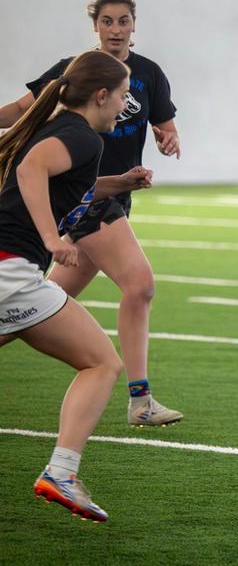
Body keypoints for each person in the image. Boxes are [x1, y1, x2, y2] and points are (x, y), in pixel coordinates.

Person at [0, 0, 182, 427]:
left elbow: (165, 122)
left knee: (29, 305)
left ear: (133, 25)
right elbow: (24, 113)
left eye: (123, 21)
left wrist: (167, 137)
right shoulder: (77, 73)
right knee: (140, 285)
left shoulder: (149, 74)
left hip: (109, 193)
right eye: (107, 22)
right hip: (87, 202)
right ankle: (140, 400)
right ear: (96, 26)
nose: (116, 29)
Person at [0, 50, 149, 521]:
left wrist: (117, 183)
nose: (125, 107)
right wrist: (51, 239)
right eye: (122, 97)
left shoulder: (64, 131)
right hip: (13, 271)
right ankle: (61, 472)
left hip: (9, 267)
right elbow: (30, 172)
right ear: (100, 95)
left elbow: (64, 181)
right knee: (102, 363)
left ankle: (61, 473)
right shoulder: (82, 136)